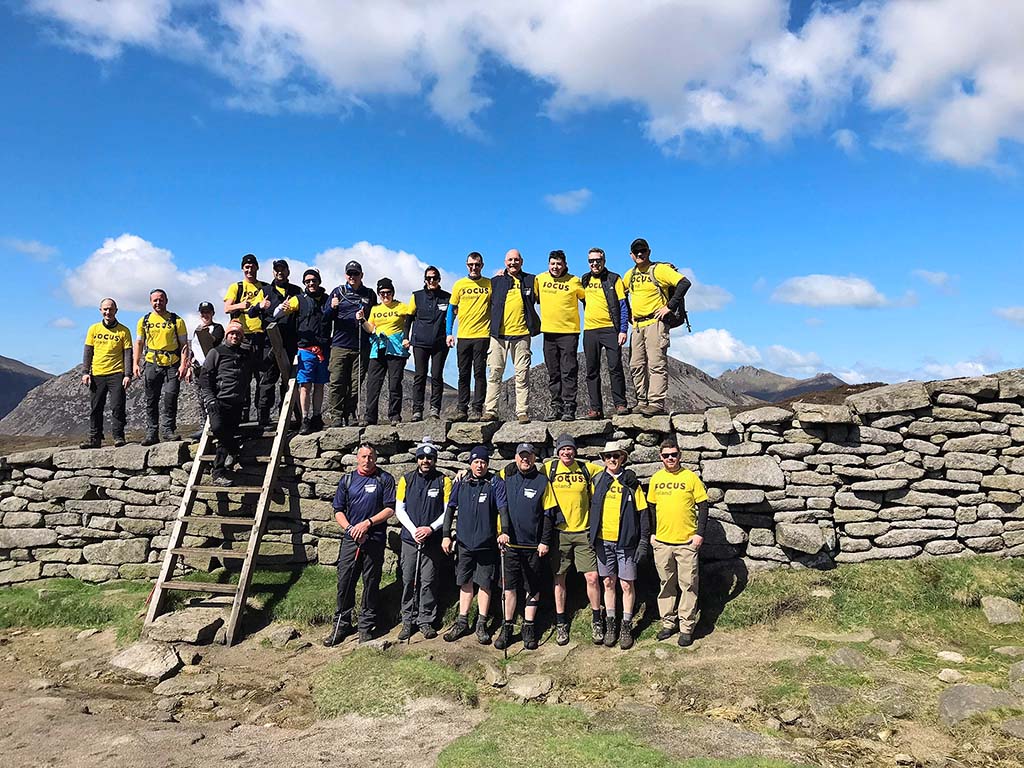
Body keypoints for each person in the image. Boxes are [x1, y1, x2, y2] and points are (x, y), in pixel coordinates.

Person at [324, 442, 396, 646]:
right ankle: (341, 625)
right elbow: (338, 510)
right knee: (345, 582)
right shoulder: (347, 480)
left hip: (374, 539)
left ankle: (366, 626)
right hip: (351, 539)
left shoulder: (385, 479)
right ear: (357, 458)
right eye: (363, 456)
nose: (367, 460)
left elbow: (390, 509)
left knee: (371, 582)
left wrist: (367, 524)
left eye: (371, 456)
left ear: (376, 458)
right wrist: (351, 529)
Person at [544, 433, 606, 646]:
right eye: (562, 449)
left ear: (575, 451)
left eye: (569, 449)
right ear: (557, 452)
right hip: (559, 532)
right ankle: (561, 622)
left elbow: (610, 470)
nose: (566, 452)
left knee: (592, 577)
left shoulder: (586, 468)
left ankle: (597, 619)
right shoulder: (549, 468)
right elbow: (523, 471)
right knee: (559, 577)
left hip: (583, 531)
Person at [588, 440, 650, 650]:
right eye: (608, 456)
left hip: (626, 542)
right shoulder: (597, 481)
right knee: (608, 582)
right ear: (603, 459)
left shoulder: (631, 482)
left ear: (622, 458)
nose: (612, 459)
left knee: (626, 585)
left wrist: (643, 540)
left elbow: (643, 513)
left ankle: (626, 626)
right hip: (603, 541)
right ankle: (611, 624)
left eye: (616, 456)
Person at [442, 445, 507, 644]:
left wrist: (504, 531)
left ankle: (481, 624)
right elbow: (450, 509)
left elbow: (503, 509)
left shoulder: (495, 482)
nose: (480, 466)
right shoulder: (461, 482)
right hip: (464, 543)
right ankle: (462, 622)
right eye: (476, 462)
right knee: (465, 582)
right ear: (470, 463)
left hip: (486, 544)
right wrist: (446, 535)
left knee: (485, 584)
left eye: (483, 462)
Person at [494, 443, 556, 651]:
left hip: (533, 547)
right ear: (515, 458)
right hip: (510, 545)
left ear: (534, 458)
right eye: (521, 456)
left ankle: (529, 626)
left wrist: (545, 541)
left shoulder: (542, 481)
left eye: (528, 456)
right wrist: (463, 474)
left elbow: (548, 514)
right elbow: (484, 477)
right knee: (509, 588)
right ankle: (507, 627)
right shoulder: (506, 476)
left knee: (533, 587)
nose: (525, 459)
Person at [648, 437, 709, 647]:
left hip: (686, 543)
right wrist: (652, 534)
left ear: (680, 455)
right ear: (661, 457)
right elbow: (651, 508)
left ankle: (686, 627)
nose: (670, 458)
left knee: (688, 585)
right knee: (666, 584)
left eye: (674, 454)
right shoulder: (656, 479)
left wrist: (699, 534)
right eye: (666, 455)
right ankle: (668, 623)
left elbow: (703, 506)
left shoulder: (690, 477)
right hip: (662, 542)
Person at [623, 238, 691, 416]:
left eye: (643, 251)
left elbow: (684, 283)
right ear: (631, 255)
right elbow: (620, 293)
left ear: (649, 252)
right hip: (637, 325)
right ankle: (642, 401)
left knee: (656, 364)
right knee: (636, 365)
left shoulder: (659, 269)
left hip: (655, 323)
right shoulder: (629, 275)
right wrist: (628, 313)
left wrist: (669, 307)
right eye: (636, 252)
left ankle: (656, 403)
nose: (640, 254)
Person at [394, 441, 452, 640]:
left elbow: (448, 511)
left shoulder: (444, 481)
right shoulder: (406, 479)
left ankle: (426, 620)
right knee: (409, 580)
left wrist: (430, 529)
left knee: (429, 581)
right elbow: (399, 509)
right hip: (410, 540)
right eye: (421, 457)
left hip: (432, 540)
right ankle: (407, 620)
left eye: (429, 458)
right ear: (417, 459)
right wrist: (414, 531)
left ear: (434, 459)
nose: (425, 461)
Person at [482, 249, 540, 424]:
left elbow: (543, 298)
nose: (513, 263)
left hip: (522, 335)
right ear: (505, 262)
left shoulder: (531, 280)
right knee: (494, 373)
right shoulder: (495, 281)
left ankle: (522, 412)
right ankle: (490, 411)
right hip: (498, 336)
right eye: (510, 260)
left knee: (522, 375)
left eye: (516, 260)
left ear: (522, 261)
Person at [272, 269, 331, 434]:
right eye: (307, 281)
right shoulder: (299, 299)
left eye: (313, 280)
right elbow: (277, 314)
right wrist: (281, 307)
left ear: (319, 281)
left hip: (323, 348)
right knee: (305, 384)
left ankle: (317, 416)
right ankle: (305, 418)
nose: (311, 283)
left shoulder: (327, 299)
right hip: (305, 348)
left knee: (320, 384)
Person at [222, 253, 277, 426]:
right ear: (242, 269)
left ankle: (263, 414)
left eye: (252, 267)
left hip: (262, 336)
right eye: (246, 267)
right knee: (242, 376)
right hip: (242, 337)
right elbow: (226, 308)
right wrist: (242, 305)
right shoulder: (236, 287)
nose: (249, 270)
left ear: (257, 268)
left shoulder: (265, 287)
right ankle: (242, 414)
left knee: (264, 377)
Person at [197, 321, 252, 486]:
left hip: (237, 402)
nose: (235, 336)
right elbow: (204, 377)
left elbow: (261, 366)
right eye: (232, 333)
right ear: (227, 335)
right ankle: (234, 450)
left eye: (238, 334)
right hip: (218, 401)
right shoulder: (216, 352)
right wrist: (210, 398)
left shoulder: (246, 354)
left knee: (223, 439)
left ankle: (218, 474)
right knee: (217, 428)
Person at [133, 288, 190, 445]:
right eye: (155, 300)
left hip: (172, 364)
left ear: (166, 301)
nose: (158, 302)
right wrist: (135, 363)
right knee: (151, 400)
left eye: (161, 299)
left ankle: (168, 431)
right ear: (150, 302)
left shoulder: (177, 320)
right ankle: (151, 433)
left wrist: (183, 364)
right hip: (152, 363)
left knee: (170, 397)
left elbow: (184, 345)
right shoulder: (144, 320)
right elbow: (139, 343)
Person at [534, 250, 585, 421]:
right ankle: (556, 407)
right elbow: (525, 289)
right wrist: (503, 274)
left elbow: (589, 298)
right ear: (548, 264)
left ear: (565, 265)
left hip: (569, 332)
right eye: (552, 263)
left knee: (568, 371)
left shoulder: (574, 280)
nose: (555, 267)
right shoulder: (540, 279)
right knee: (553, 372)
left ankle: (569, 407)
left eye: (559, 264)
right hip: (548, 332)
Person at [325, 260, 377, 426]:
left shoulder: (369, 294)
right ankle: (336, 415)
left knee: (356, 384)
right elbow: (325, 317)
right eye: (349, 273)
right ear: (345, 275)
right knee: (337, 381)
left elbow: (374, 318)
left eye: (356, 273)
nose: (352, 276)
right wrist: (332, 307)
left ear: (362, 275)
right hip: (340, 345)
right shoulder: (337, 292)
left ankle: (350, 413)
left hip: (361, 346)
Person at [581, 247, 630, 419]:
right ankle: (595, 409)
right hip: (590, 330)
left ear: (604, 261)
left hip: (610, 329)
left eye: (598, 260)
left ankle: (620, 404)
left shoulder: (614, 278)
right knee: (591, 370)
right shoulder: (584, 279)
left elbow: (623, 305)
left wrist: (623, 330)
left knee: (615, 367)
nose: (594, 264)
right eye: (591, 261)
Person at [80, 298, 133, 449]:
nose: (108, 312)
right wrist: (85, 372)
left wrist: (128, 375)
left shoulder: (124, 331)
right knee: (96, 407)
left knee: (117, 406)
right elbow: (88, 351)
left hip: (117, 374)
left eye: (111, 309)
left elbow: (127, 354)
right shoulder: (94, 329)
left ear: (116, 310)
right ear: (100, 310)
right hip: (97, 374)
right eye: (105, 309)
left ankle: (118, 437)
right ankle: (95, 439)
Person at [446, 252, 492, 421]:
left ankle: (477, 409)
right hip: (464, 336)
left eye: (477, 265)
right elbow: (451, 309)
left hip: (482, 335)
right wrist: (449, 333)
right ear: (466, 265)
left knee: (479, 373)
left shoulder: (489, 284)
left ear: (482, 266)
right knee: (463, 374)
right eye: (471, 265)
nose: (474, 268)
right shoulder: (459, 284)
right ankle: (462, 409)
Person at [360, 278, 411, 426]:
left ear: (393, 292)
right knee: (373, 384)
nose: (385, 295)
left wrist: (407, 337)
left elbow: (411, 319)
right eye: (382, 293)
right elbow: (370, 328)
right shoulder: (375, 309)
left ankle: (394, 415)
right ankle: (370, 417)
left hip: (396, 350)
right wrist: (362, 320)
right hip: (378, 348)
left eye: (388, 292)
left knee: (394, 383)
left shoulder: (402, 306)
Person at [406, 266, 451, 421]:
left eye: (434, 278)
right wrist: (406, 337)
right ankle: (417, 410)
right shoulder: (416, 296)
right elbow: (409, 318)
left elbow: (456, 315)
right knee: (420, 375)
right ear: (425, 279)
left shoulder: (447, 297)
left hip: (440, 343)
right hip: (420, 342)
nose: (431, 281)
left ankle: (434, 409)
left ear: (439, 279)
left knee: (437, 375)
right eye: (428, 278)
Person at [187, 302, 225, 440]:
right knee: (200, 398)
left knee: (212, 397)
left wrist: (205, 334)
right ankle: (204, 426)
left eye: (207, 312)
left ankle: (215, 424)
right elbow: (194, 349)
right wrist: (189, 367)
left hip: (211, 369)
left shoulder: (218, 328)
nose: (205, 315)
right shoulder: (196, 329)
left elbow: (214, 342)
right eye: (203, 312)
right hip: (197, 368)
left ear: (212, 313)